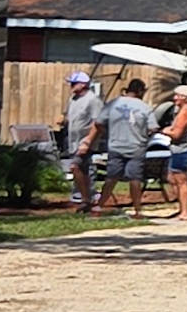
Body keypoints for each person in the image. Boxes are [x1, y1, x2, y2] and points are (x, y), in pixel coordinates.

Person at [101, 78, 155, 215]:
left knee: (111, 177)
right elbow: (153, 128)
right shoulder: (144, 107)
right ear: (140, 91)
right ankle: (137, 209)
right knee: (135, 179)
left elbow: (99, 122)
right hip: (136, 147)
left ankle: (99, 206)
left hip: (116, 145)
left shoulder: (113, 103)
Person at [153, 82, 187, 222]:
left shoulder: (186, 112)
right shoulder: (179, 112)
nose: (175, 98)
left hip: (183, 149)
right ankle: (180, 207)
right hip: (176, 149)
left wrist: (163, 131)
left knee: (181, 181)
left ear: (186, 98)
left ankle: (185, 212)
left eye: (178, 96)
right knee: (171, 178)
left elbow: (176, 134)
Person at [60, 71, 106, 213]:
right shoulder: (73, 99)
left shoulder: (93, 100)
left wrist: (88, 141)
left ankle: (87, 199)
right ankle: (89, 200)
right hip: (73, 142)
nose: (71, 86)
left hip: (85, 143)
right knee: (84, 171)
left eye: (73, 84)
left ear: (83, 84)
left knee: (75, 167)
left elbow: (97, 123)